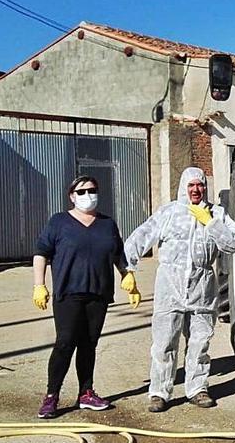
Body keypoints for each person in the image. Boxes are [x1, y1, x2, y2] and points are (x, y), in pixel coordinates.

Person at [124, 167, 235, 413]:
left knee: (200, 342)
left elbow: (232, 243)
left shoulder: (217, 213)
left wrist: (210, 223)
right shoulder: (170, 212)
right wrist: (128, 270)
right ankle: (159, 392)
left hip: (203, 286)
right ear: (183, 188)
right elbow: (141, 236)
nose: (196, 190)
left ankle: (197, 389)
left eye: (200, 185)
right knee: (164, 342)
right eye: (191, 186)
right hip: (170, 286)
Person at [33, 175, 141, 419]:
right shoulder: (59, 222)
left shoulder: (107, 224)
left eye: (91, 190)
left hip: (98, 295)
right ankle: (51, 396)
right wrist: (38, 285)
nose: (87, 195)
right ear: (71, 196)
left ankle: (86, 393)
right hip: (68, 293)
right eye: (80, 192)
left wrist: (128, 277)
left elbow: (118, 255)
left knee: (88, 345)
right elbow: (41, 253)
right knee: (65, 343)